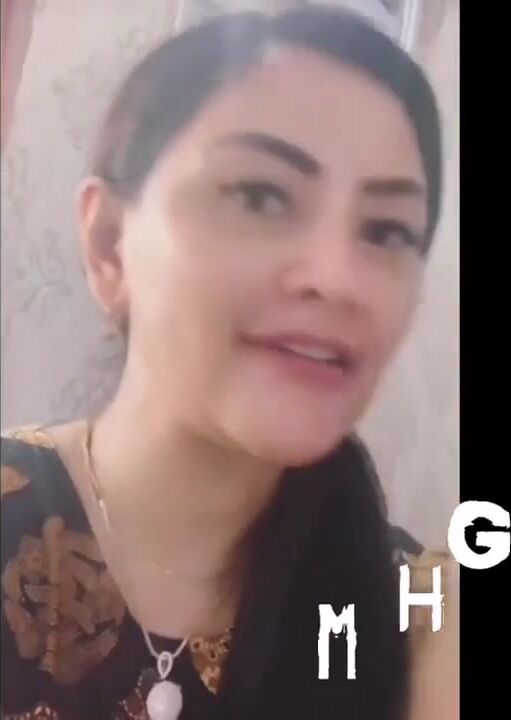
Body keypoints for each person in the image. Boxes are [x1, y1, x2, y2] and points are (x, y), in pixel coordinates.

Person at [0, 6, 458, 720]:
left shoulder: (420, 617)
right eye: (261, 195)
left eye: (387, 230)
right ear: (110, 243)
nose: (336, 275)